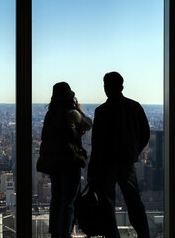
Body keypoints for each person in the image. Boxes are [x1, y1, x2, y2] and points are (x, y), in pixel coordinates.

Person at [87, 72, 150, 238]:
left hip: (106, 164)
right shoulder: (134, 106)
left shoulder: (101, 111)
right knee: (134, 201)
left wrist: (92, 172)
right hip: (127, 162)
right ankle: (144, 235)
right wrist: (134, 151)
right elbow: (145, 133)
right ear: (122, 86)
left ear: (105, 88)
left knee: (107, 204)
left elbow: (97, 143)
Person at [41, 82, 92, 238]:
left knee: (56, 198)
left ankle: (55, 232)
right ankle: (65, 233)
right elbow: (89, 125)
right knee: (69, 200)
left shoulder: (50, 114)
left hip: (54, 162)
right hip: (70, 161)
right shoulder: (72, 113)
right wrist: (81, 111)